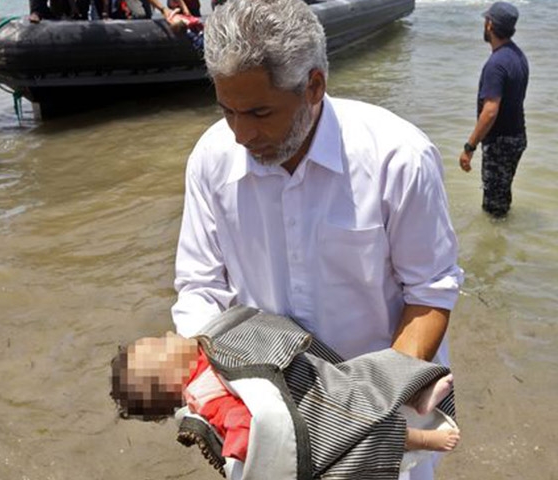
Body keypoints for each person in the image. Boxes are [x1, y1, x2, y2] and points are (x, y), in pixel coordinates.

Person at [172, 0, 463, 478]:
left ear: (313, 87)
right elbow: (200, 289)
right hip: (264, 419)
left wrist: (367, 406)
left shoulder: (398, 158)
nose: (241, 134)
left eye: (260, 112)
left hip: (383, 418)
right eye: (227, 111)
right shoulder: (210, 159)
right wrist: (224, 390)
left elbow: (430, 294)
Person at [111, 306, 461, 479]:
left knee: (367, 375)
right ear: (174, 382)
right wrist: (246, 444)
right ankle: (424, 437)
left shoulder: (205, 352)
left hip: (315, 377)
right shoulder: (205, 393)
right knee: (368, 425)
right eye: (160, 345)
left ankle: (416, 393)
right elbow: (249, 430)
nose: (167, 335)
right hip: (308, 416)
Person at [459, 1, 529, 218]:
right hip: (516, 137)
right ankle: (507, 236)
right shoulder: (518, 56)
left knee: (493, 210)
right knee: (502, 197)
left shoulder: (496, 64)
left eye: (486, 20)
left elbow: (490, 111)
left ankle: (496, 239)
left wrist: (469, 147)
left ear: (490, 25)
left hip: (500, 143)